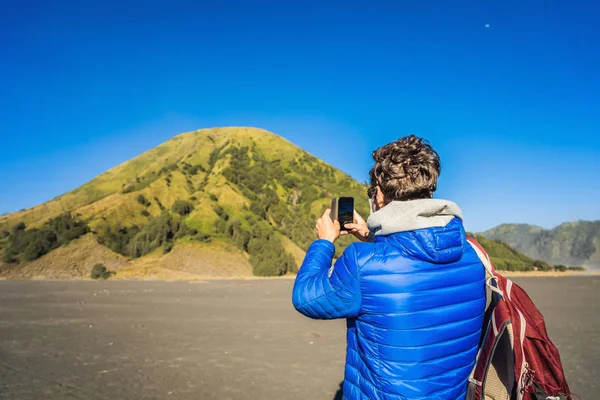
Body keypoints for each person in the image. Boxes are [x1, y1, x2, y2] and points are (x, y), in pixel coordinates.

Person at [292, 135, 486, 399]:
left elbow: (306, 297)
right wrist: (372, 237)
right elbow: (413, 257)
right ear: (429, 189)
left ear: (380, 195)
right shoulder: (473, 254)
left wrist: (324, 243)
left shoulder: (362, 261)